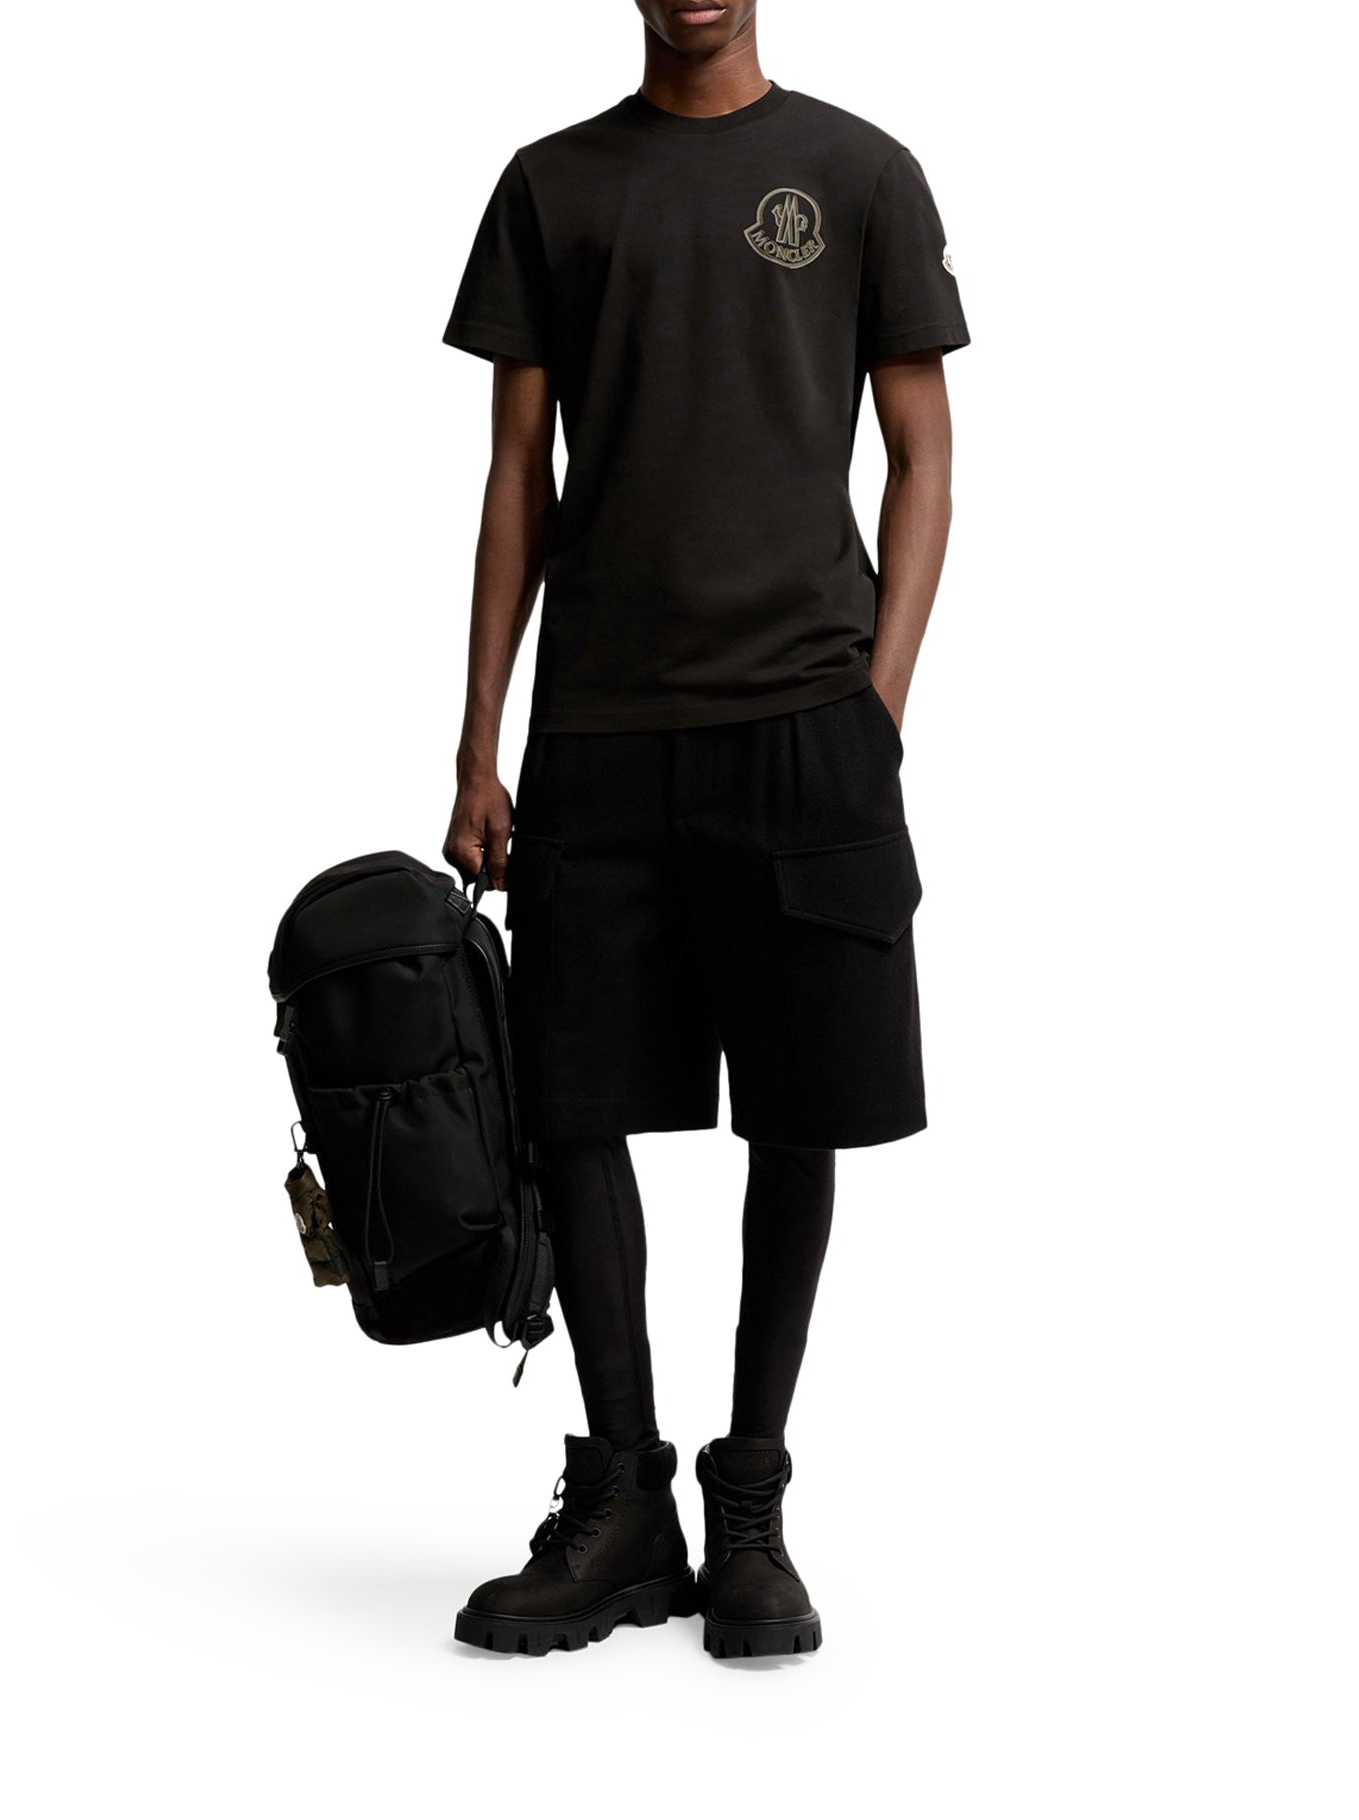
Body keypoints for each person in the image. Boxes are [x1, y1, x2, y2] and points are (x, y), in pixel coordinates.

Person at [441, 0, 967, 1660]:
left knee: (799, 1107)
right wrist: (478, 739)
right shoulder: (551, 185)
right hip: (598, 726)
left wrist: (876, 706)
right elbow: (516, 472)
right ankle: (621, 1504)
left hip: (804, 720)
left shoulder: (857, 173)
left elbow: (923, 452)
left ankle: (750, 1505)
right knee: (571, 1102)